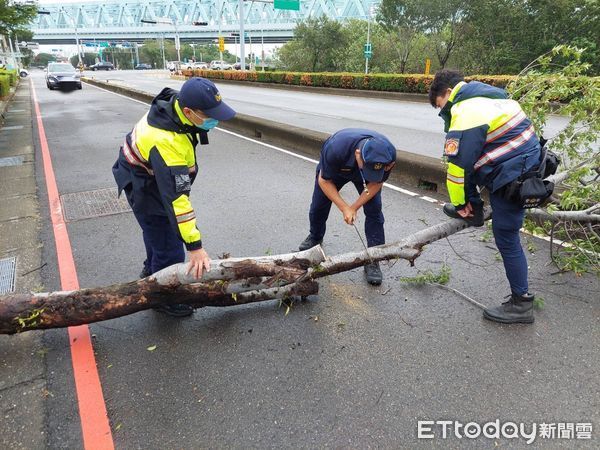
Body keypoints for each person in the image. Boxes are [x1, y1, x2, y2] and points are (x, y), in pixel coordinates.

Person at [113, 77, 236, 317]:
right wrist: (195, 246)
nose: (216, 120)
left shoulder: (174, 108)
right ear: (188, 111)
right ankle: (162, 297)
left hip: (143, 173)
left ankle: (150, 271)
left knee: (155, 233)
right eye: (209, 115)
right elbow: (178, 201)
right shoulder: (166, 141)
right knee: (169, 246)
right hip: (144, 185)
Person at [429, 69, 542, 324]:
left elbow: (458, 169)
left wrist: (460, 204)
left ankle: (521, 303)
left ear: (447, 93)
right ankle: (474, 209)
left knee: (506, 235)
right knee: (473, 167)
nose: (443, 110)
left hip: (513, 174)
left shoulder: (465, 111)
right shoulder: (491, 96)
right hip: (523, 162)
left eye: (441, 105)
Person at [298, 128, 397, 285]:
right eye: (368, 168)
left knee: (374, 210)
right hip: (338, 169)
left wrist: (354, 207)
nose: (371, 173)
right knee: (319, 206)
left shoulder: (388, 155)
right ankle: (315, 237)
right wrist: (345, 207)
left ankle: (373, 257)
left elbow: (376, 183)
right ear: (358, 155)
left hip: (365, 177)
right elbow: (324, 181)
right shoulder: (336, 148)